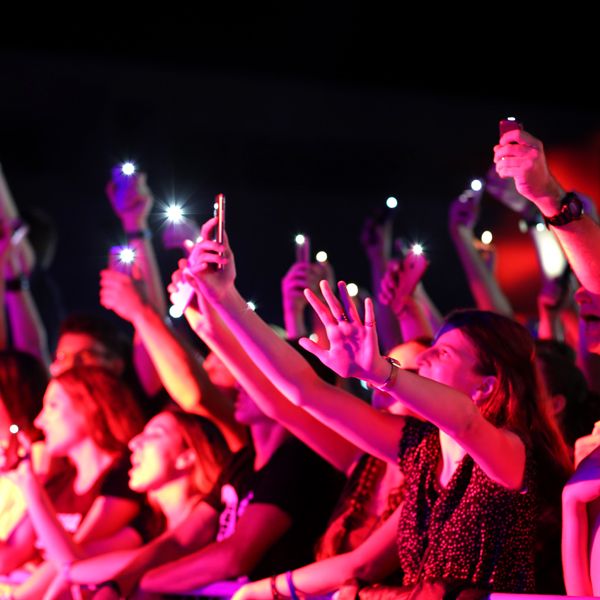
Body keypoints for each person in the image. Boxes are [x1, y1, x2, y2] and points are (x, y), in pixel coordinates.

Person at [180, 216, 571, 595]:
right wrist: (225, 297)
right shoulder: (422, 449)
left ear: (486, 386)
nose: (425, 357)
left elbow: (466, 421)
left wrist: (381, 371)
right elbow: (303, 391)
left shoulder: (511, 451)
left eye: (441, 353)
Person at [0, 366, 145, 599]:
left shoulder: (124, 478)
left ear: (90, 406)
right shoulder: (59, 483)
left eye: (53, 406)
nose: (39, 421)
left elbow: (72, 557)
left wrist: (32, 491)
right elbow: (8, 556)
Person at [64, 407, 231, 598]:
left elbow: (158, 557)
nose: (134, 443)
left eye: (154, 434)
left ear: (186, 457)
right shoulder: (151, 523)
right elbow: (77, 563)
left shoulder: (216, 521)